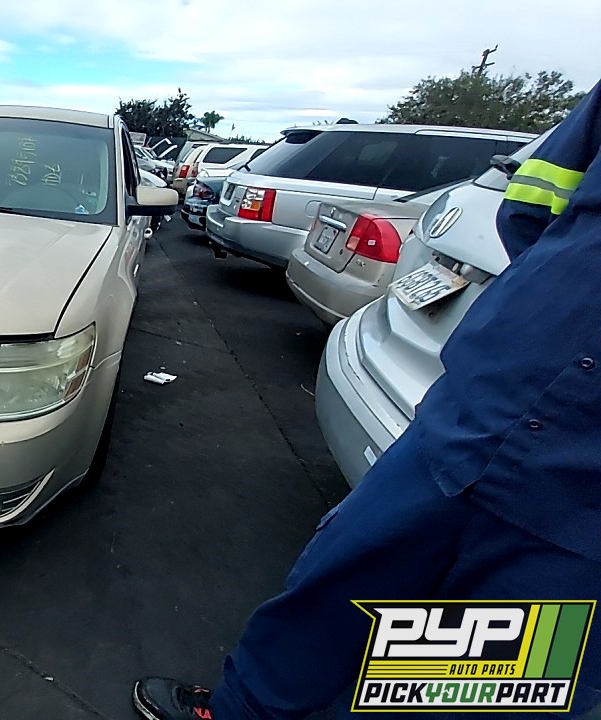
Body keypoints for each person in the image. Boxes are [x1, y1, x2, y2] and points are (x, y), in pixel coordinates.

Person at [133, 81, 601, 720]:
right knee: (340, 583)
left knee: (498, 664)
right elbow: (528, 209)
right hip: (487, 404)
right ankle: (247, 710)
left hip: (573, 480)